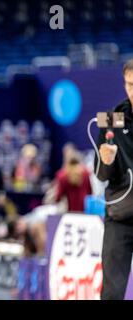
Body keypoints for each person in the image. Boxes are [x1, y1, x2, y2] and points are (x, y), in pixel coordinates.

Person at [96, 59, 133, 300]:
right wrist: (106, 162)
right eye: (130, 85)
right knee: (112, 292)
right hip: (120, 215)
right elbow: (100, 174)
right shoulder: (111, 119)